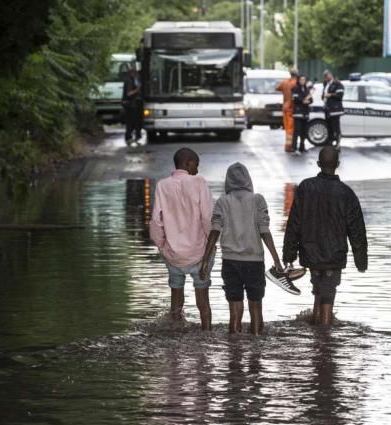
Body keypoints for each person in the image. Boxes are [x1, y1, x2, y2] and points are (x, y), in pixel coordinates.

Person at [283, 146, 368, 326]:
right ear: (337, 164)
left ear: (318, 164)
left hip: (310, 254)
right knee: (328, 294)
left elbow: (294, 223)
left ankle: (316, 334)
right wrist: (361, 262)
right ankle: (325, 341)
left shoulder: (306, 187)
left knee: (318, 290)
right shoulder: (346, 193)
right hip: (334, 256)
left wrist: (289, 255)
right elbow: (357, 230)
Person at [199, 163, 284, 335]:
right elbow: (264, 231)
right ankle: (255, 353)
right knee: (256, 308)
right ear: (248, 180)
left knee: (234, 311)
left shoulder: (222, 201)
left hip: (230, 262)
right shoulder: (258, 200)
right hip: (254, 262)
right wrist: (276, 260)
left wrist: (205, 260)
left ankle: (234, 355)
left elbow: (214, 231)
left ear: (228, 181)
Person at [150, 148, 214, 330]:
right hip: (199, 253)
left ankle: (176, 339)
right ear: (187, 163)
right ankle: (207, 335)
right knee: (203, 301)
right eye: (196, 165)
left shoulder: (162, 185)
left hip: (173, 255)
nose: (198, 170)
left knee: (176, 300)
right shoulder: (199, 182)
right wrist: (211, 245)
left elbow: (156, 221)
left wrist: (162, 246)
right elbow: (207, 218)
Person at [276, 69, 299, 152]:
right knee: (291, 128)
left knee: (287, 128)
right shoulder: (296, 83)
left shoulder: (285, 82)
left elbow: (277, 88)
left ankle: (288, 144)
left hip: (285, 107)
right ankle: (289, 146)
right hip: (292, 108)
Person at [291, 74, 313, 155]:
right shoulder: (296, 88)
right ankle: (293, 147)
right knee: (297, 131)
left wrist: (309, 101)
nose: (302, 81)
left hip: (305, 113)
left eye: (304, 80)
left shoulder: (306, 89)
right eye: (301, 80)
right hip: (298, 113)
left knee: (303, 131)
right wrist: (303, 101)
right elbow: (295, 99)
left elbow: (311, 99)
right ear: (298, 80)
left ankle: (302, 146)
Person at [322, 70, 344, 148]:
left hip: (335, 109)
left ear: (331, 75)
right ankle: (330, 142)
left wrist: (330, 95)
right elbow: (323, 95)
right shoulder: (325, 84)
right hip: (327, 109)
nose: (326, 77)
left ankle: (338, 144)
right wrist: (323, 97)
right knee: (329, 127)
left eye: (327, 75)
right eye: (325, 76)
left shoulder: (337, 83)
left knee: (336, 127)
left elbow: (340, 95)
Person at [122, 65, 142, 146]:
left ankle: (134, 136)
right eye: (136, 72)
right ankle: (128, 137)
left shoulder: (132, 79)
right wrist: (137, 90)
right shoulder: (129, 81)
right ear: (132, 73)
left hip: (131, 104)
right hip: (129, 104)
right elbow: (129, 93)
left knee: (133, 121)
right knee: (130, 121)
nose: (137, 74)